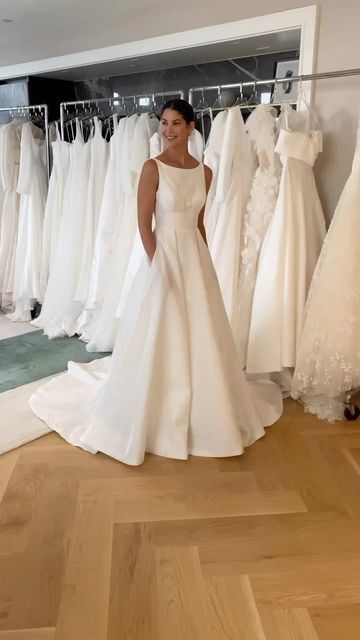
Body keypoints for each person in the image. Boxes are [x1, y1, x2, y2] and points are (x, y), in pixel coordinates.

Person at [29, 99, 282, 466]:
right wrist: (157, 265)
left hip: (195, 256)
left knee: (202, 331)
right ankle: (158, 404)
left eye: (176, 123)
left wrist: (205, 263)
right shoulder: (152, 168)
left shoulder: (205, 172)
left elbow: (198, 223)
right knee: (162, 330)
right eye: (164, 123)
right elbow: (144, 225)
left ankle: (207, 407)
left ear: (191, 127)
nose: (168, 130)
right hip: (163, 256)